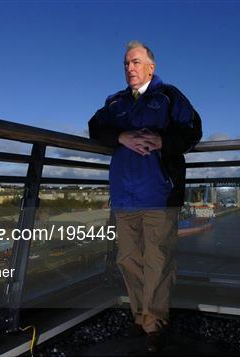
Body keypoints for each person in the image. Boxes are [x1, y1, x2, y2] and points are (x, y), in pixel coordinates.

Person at [88, 40, 202, 352]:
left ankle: (155, 324)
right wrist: (120, 136)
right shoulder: (115, 102)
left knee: (158, 260)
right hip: (124, 194)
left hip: (159, 193)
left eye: (136, 62)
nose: (130, 68)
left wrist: (164, 141)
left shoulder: (169, 96)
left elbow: (193, 130)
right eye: (126, 63)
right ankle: (139, 317)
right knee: (128, 260)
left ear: (151, 67)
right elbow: (94, 127)